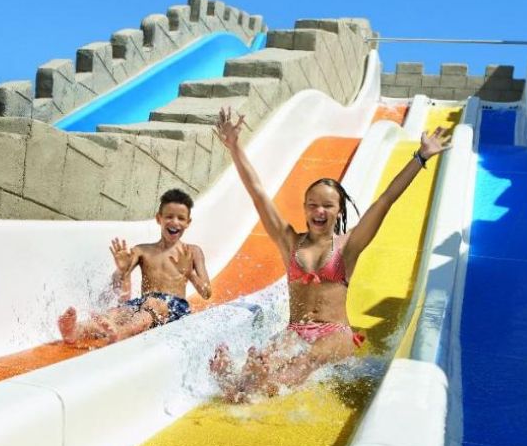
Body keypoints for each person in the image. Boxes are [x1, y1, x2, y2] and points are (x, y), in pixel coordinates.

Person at [209, 107, 451, 402]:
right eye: (312, 205)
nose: (319, 211)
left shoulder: (349, 245)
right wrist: (235, 148)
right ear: (305, 208)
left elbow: (386, 199)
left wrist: (420, 157)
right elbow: (258, 193)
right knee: (264, 357)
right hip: (296, 329)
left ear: (339, 211)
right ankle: (238, 381)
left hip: (335, 334)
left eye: (327, 206)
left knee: (306, 360)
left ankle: (260, 387)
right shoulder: (289, 242)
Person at [58, 188, 212, 346]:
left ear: (188, 222)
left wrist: (189, 273)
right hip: (144, 303)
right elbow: (119, 284)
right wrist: (122, 270)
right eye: (169, 216)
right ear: (159, 218)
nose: (175, 222)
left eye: (181, 218)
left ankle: (122, 332)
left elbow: (206, 292)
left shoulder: (192, 252)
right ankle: (77, 330)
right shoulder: (142, 250)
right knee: (119, 312)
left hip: (174, 307)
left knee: (152, 304)